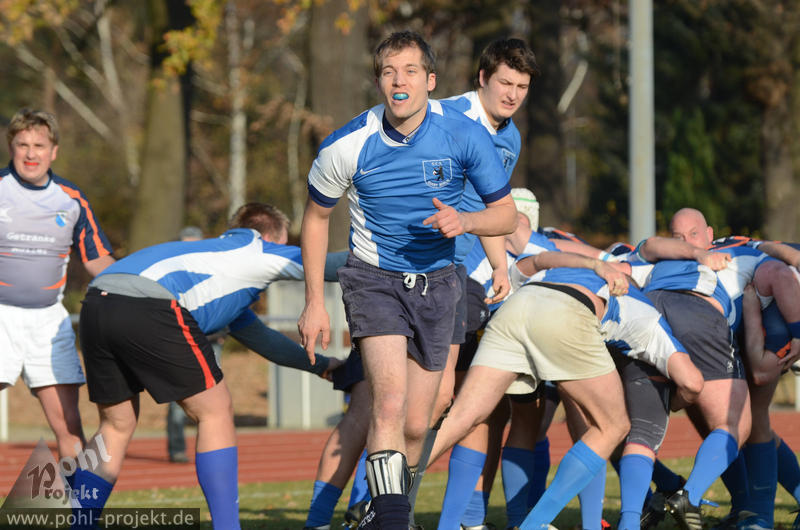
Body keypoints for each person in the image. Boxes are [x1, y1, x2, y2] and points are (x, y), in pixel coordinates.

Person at [297, 30, 518, 530]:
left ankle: (387, 510)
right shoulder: (347, 144)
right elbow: (315, 217)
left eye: (411, 71)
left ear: (430, 80)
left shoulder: (464, 134)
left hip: (440, 283)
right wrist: (313, 302)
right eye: (389, 72)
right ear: (378, 81)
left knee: (419, 422)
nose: (400, 82)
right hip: (373, 279)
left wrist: (466, 221)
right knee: (389, 403)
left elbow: (505, 215)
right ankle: (392, 521)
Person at [72, 203, 342, 529]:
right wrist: (388, 247)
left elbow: (264, 341)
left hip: (96, 302)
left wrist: (323, 366)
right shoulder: (257, 249)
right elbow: (328, 266)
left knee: (115, 426)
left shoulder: (218, 262)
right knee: (215, 411)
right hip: (148, 302)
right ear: (273, 236)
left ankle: (80, 524)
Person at [634, 208, 798, 529]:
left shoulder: (745, 257)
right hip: (720, 319)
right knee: (716, 415)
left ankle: (757, 516)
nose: (686, 242)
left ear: (710, 235)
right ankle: (742, 508)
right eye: (679, 237)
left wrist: (790, 330)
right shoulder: (681, 257)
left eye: (693, 235)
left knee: (752, 415)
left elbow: (782, 268)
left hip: (779, 308)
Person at [0, 108, 114, 467]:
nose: (30, 154)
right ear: (11, 147)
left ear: (54, 151)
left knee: (69, 425)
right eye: (22, 145)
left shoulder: (71, 198)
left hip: (49, 321)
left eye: (39, 145)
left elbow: (98, 260)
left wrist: (138, 291)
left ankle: (81, 503)